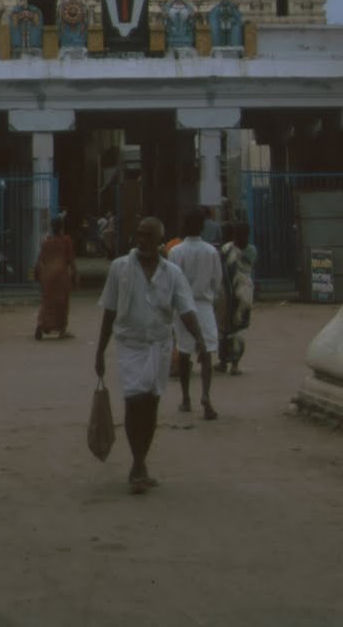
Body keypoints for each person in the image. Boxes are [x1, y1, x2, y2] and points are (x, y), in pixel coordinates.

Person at [95, 215, 208, 495]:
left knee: (152, 405)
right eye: (139, 234)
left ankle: (140, 461)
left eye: (149, 235)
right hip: (130, 346)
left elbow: (186, 310)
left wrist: (202, 342)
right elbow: (109, 312)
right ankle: (137, 463)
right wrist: (99, 351)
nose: (143, 240)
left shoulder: (172, 273)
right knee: (135, 402)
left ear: (160, 240)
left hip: (159, 346)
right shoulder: (119, 268)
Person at [168, 208, 221, 420]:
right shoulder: (211, 251)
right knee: (206, 353)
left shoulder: (176, 251)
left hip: (183, 308)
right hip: (205, 306)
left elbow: (171, 283)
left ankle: (186, 398)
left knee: (184, 352)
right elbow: (217, 283)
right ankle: (206, 395)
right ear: (202, 227)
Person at [216, 221, 256, 375]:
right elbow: (223, 271)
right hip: (229, 293)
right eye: (239, 234)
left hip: (242, 293)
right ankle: (224, 363)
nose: (242, 237)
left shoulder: (248, 250)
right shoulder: (228, 249)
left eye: (244, 234)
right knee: (226, 329)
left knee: (236, 330)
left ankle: (233, 364)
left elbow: (245, 268)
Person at [33, 214, 77, 339]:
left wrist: (39, 276)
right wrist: (75, 275)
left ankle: (41, 324)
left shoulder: (46, 242)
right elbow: (70, 260)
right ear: (62, 227)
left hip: (48, 277)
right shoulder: (66, 240)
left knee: (47, 302)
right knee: (63, 304)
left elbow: (40, 260)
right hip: (61, 276)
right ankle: (62, 331)